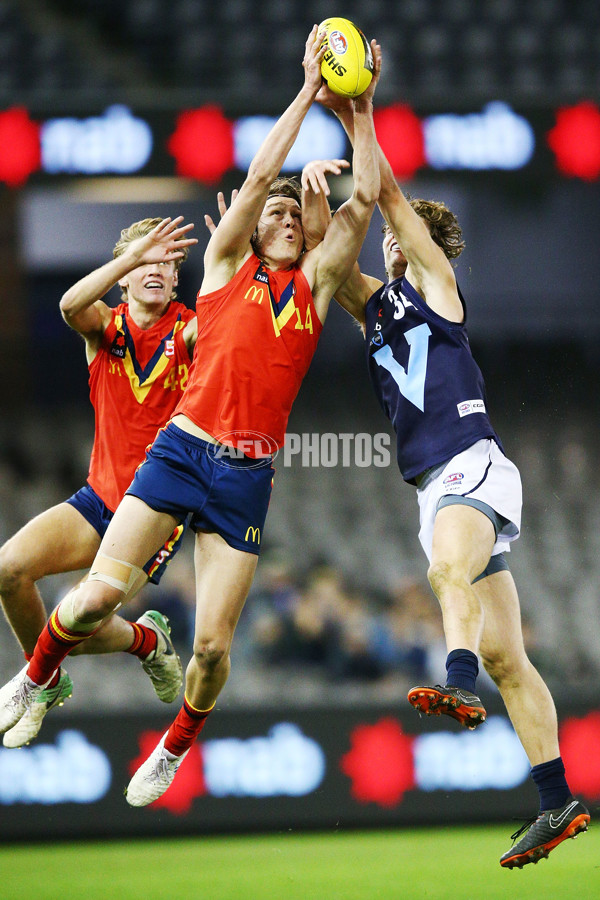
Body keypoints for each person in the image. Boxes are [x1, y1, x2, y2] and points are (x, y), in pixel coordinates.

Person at [0, 26, 382, 807]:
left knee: (211, 648)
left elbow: (367, 197)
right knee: (95, 597)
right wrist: (310, 89)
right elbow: (260, 173)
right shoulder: (218, 270)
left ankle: (174, 747)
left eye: (289, 213)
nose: (277, 214)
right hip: (181, 452)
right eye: (268, 211)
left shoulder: (312, 288)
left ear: (304, 232)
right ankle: (35, 677)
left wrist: (362, 111)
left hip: (245, 475)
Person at [299, 90, 590, 868]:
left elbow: (387, 197)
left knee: (442, 572)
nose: (394, 239)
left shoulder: (438, 290)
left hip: (473, 465)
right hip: (434, 486)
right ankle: (556, 797)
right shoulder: (380, 306)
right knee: (510, 659)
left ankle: (453, 679)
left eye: (405, 234)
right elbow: (327, 261)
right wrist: (311, 200)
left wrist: (354, 111)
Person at [0, 215, 198, 748]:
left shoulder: (189, 330)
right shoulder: (104, 326)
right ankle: (72, 668)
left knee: (79, 620)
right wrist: (131, 255)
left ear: (178, 278)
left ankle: (70, 665)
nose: (155, 268)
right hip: (97, 501)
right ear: (123, 275)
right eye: (144, 260)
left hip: (155, 514)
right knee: (9, 570)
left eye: (167, 261)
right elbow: (68, 305)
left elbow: (226, 330)